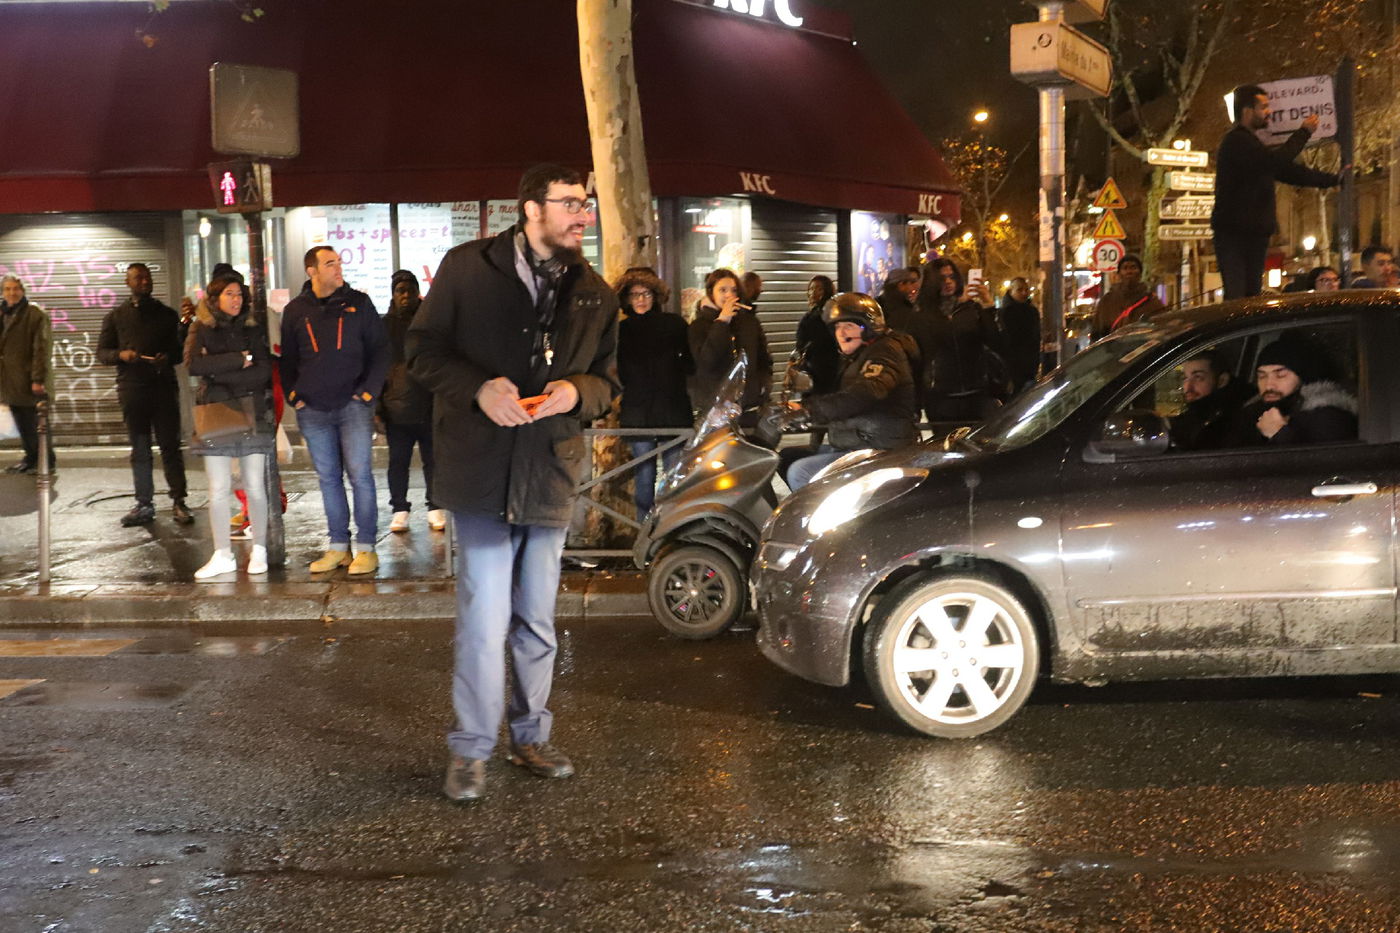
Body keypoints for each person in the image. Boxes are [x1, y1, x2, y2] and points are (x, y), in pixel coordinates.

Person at [407, 163, 620, 803]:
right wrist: (478, 387)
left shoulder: (596, 292)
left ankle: (530, 736)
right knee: (483, 617)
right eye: (571, 203)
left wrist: (573, 392)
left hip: (549, 472)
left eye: (586, 204)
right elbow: (421, 350)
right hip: (479, 472)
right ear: (531, 208)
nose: (583, 214)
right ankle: (470, 749)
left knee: (537, 618)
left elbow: (608, 384)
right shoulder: (467, 267)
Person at [281, 246, 390, 575]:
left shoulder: (359, 303)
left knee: (361, 477)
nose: (338, 267)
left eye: (339, 262)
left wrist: (368, 393)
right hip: (312, 409)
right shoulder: (295, 310)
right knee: (329, 479)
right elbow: (287, 359)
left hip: (353, 406)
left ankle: (367, 548)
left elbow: (382, 350)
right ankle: (338, 547)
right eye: (330, 263)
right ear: (311, 271)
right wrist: (293, 395)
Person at [1211, 85, 1342, 299]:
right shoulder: (1237, 141)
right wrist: (1303, 133)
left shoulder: (1252, 144)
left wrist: (1332, 180)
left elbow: (1287, 171)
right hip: (1236, 234)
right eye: (1263, 107)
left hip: (1252, 233)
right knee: (1239, 299)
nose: (1269, 112)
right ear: (1247, 111)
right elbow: (1276, 164)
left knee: (1250, 297)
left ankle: (1247, 333)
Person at [183, 274, 274, 579]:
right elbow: (195, 365)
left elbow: (262, 373)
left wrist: (219, 371)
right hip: (216, 412)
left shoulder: (253, 328)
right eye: (230, 294)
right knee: (218, 488)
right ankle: (222, 553)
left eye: (240, 294)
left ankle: (259, 549)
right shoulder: (201, 327)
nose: (237, 300)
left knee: (255, 486)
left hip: (253, 412)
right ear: (215, 298)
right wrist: (239, 358)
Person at [779, 293, 919, 490]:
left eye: (849, 326)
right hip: (855, 442)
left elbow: (866, 392)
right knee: (786, 457)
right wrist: (798, 407)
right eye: (837, 327)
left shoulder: (885, 352)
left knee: (801, 472)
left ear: (869, 328)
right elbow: (841, 397)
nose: (841, 333)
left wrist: (811, 410)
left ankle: (826, 520)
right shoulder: (859, 354)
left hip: (879, 449)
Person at [97, 262, 193, 527]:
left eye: (147, 277)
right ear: (128, 283)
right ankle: (144, 503)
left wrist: (167, 358)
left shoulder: (166, 314)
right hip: (132, 390)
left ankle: (179, 500)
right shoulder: (116, 316)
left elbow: (180, 350)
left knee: (170, 446)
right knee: (140, 449)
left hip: (163, 388)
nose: (144, 282)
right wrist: (121, 355)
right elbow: (102, 352)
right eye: (138, 278)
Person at [616, 267, 692, 521]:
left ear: (656, 295)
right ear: (626, 298)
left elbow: (690, 364)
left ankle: (667, 533)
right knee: (646, 478)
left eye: (646, 293)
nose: (640, 299)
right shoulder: (620, 331)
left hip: (670, 410)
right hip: (642, 413)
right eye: (634, 294)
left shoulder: (674, 324)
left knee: (672, 479)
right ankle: (645, 538)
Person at [380, 269, 444, 534]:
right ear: (393, 295)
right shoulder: (384, 326)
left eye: (409, 289)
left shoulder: (430, 322)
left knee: (433, 459)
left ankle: (435, 505)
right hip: (396, 407)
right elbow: (378, 367)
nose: (405, 295)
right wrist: (378, 408)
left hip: (428, 403)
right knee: (398, 460)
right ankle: (400, 508)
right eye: (400, 290)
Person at [912, 258, 1004, 424]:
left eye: (952, 277)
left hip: (977, 394)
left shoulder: (971, 309)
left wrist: (988, 305)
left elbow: (996, 342)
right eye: (942, 278)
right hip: (941, 398)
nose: (948, 282)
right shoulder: (921, 315)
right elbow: (922, 355)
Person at [1230, 334, 1357, 446]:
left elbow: (1330, 466)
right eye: (1262, 376)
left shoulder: (1328, 417)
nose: (1268, 385)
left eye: (1281, 375)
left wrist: (1280, 434)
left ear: (1302, 377)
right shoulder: (1250, 413)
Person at [688, 267, 772, 413]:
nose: (729, 295)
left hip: (748, 404)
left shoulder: (749, 322)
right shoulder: (699, 326)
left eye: (734, 290)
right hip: (714, 407)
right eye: (722, 290)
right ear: (711, 292)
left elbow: (763, 358)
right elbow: (706, 362)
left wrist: (762, 386)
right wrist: (722, 322)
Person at [0, 275, 55, 475]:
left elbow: (41, 348)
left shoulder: (35, 314)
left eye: (15, 289)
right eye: (7, 289)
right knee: (23, 423)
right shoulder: (3, 313)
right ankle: (31, 458)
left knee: (38, 423)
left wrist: (38, 379)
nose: (11, 293)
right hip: (10, 380)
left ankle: (46, 461)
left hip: (30, 379)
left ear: (22, 290)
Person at [1170, 350, 1245, 451]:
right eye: (1184, 378)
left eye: (1198, 377)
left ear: (1222, 380)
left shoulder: (1232, 420)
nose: (1188, 387)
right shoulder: (1196, 415)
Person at [1090, 255, 1164, 341]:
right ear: (1119, 274)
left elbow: (1160, 330)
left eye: (1133, 267)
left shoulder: (1151, 301)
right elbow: (1096, 332)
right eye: (1125, 268)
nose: (1129, 271)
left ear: (1140, 273)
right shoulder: (1107, 301)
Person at [794, 275, 840, 398]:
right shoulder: (813, 314)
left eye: (819, 289)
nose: (813, 293)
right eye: (811, 289)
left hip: (823, 370)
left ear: (827, 291)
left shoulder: (827, 315)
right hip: (814, 369)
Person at [999, 277, 1041, 393]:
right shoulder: (1005, 313)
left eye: (1026, 290)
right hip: (1013, 370)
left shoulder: (1032, 311)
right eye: (1019, 290)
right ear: (1011, 291)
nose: (1024, 293)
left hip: (1030, 368)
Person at [876, 267, 920, 335]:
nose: (911, 287)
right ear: (901, 284)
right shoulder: (905, 307)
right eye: (910, 283)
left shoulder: (877, 303)